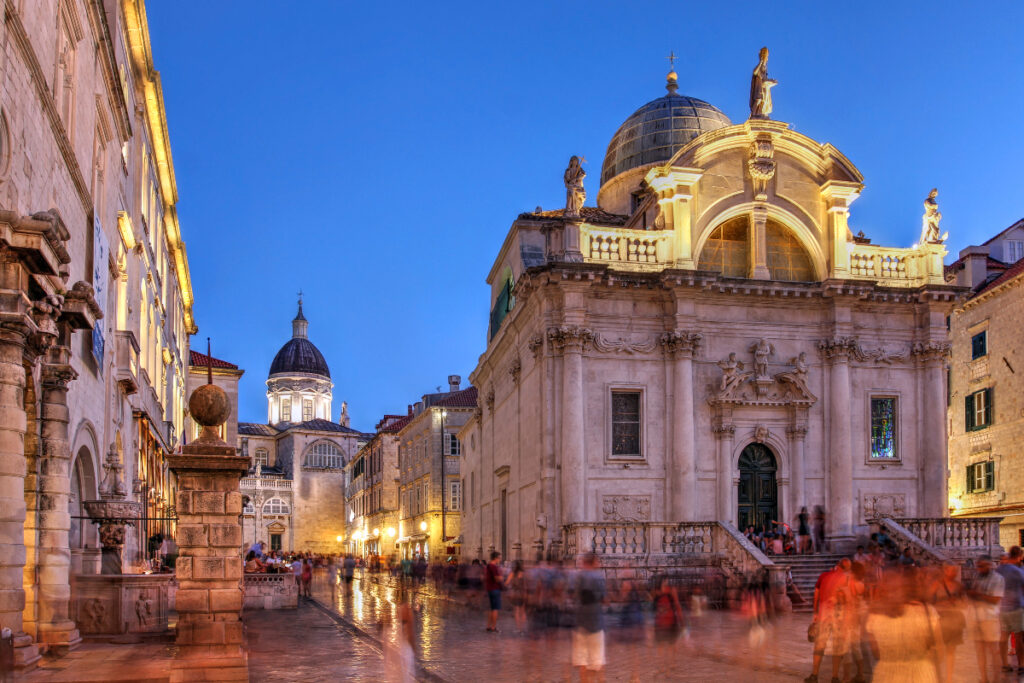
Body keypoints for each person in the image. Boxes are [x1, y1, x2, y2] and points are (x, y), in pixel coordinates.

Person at [865, 568, 945, 683]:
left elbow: (876, 654)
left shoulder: (873, 616)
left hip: (886, 675)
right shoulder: (926, 612)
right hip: (921, 674)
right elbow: (940, 653)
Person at [806, 558, 852, 683]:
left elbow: (816, 595)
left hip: (823, 616)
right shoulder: (846, 579)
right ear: (846, 568)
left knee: (819, 646)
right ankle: (835, 677)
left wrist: (815, 612)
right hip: (838, 618)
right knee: (837, 647)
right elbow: (847, 600)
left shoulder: (823, 576)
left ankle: (814, 676)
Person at [968, 556, 1004, 683]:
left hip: (990, 618)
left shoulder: (998, 579)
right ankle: (984, 678)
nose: (980, 569)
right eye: (978, 566)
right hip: (976, 617)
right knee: (979, 651)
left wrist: (977, 595)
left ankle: (996, 679)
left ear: (990, 565)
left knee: (994, 651)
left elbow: (996, 599)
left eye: (982, 566)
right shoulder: (977, 577)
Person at [928, 563, 965, 683]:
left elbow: (964, 602)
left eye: (955, 571)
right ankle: (937, 676)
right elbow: (928, 600)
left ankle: (949, 678)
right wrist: (943, 602)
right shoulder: (937, 584)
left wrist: (957, 603)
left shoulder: (958, 586)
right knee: (937, 650)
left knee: (951, 650)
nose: (954, 573)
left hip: (954, 619)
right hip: (940, 618)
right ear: (945, 571)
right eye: (952, 571)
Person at [573, 554, 606, 682]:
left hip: (581, 623)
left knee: (583, 662)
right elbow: (603, 598)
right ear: (593, 562)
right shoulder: (598, 577)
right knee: (597, 661)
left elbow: (575, 595)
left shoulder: (578, 576)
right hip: (595, 624)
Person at [996, 546, 1024, 674]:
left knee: (1003, 637)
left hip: (1003, 608)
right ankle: (1021, 665)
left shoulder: (999, 569)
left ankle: (1005, 664)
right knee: (1019, 638)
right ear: (1019, 556)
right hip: (1016, 607)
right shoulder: (1018, 571)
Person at [505, 560, 527, 634]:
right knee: (523, 611)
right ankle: (522, 629)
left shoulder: (512, 573)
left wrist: (511, 585)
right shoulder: (524, 573)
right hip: (523, 593)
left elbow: (506, 583)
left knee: (517, 612)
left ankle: (518, 628)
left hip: (516, 593)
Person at [483, 551, 503, 632]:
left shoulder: (488, 566)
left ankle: (488, 626)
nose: (500, 560)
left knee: (491, 609)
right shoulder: (493, 566)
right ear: (495, 558)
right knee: (495, 609)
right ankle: (493, 627)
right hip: (494, 589)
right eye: (499, 558)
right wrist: (502, 577)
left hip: (490, 588)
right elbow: (497, 579)